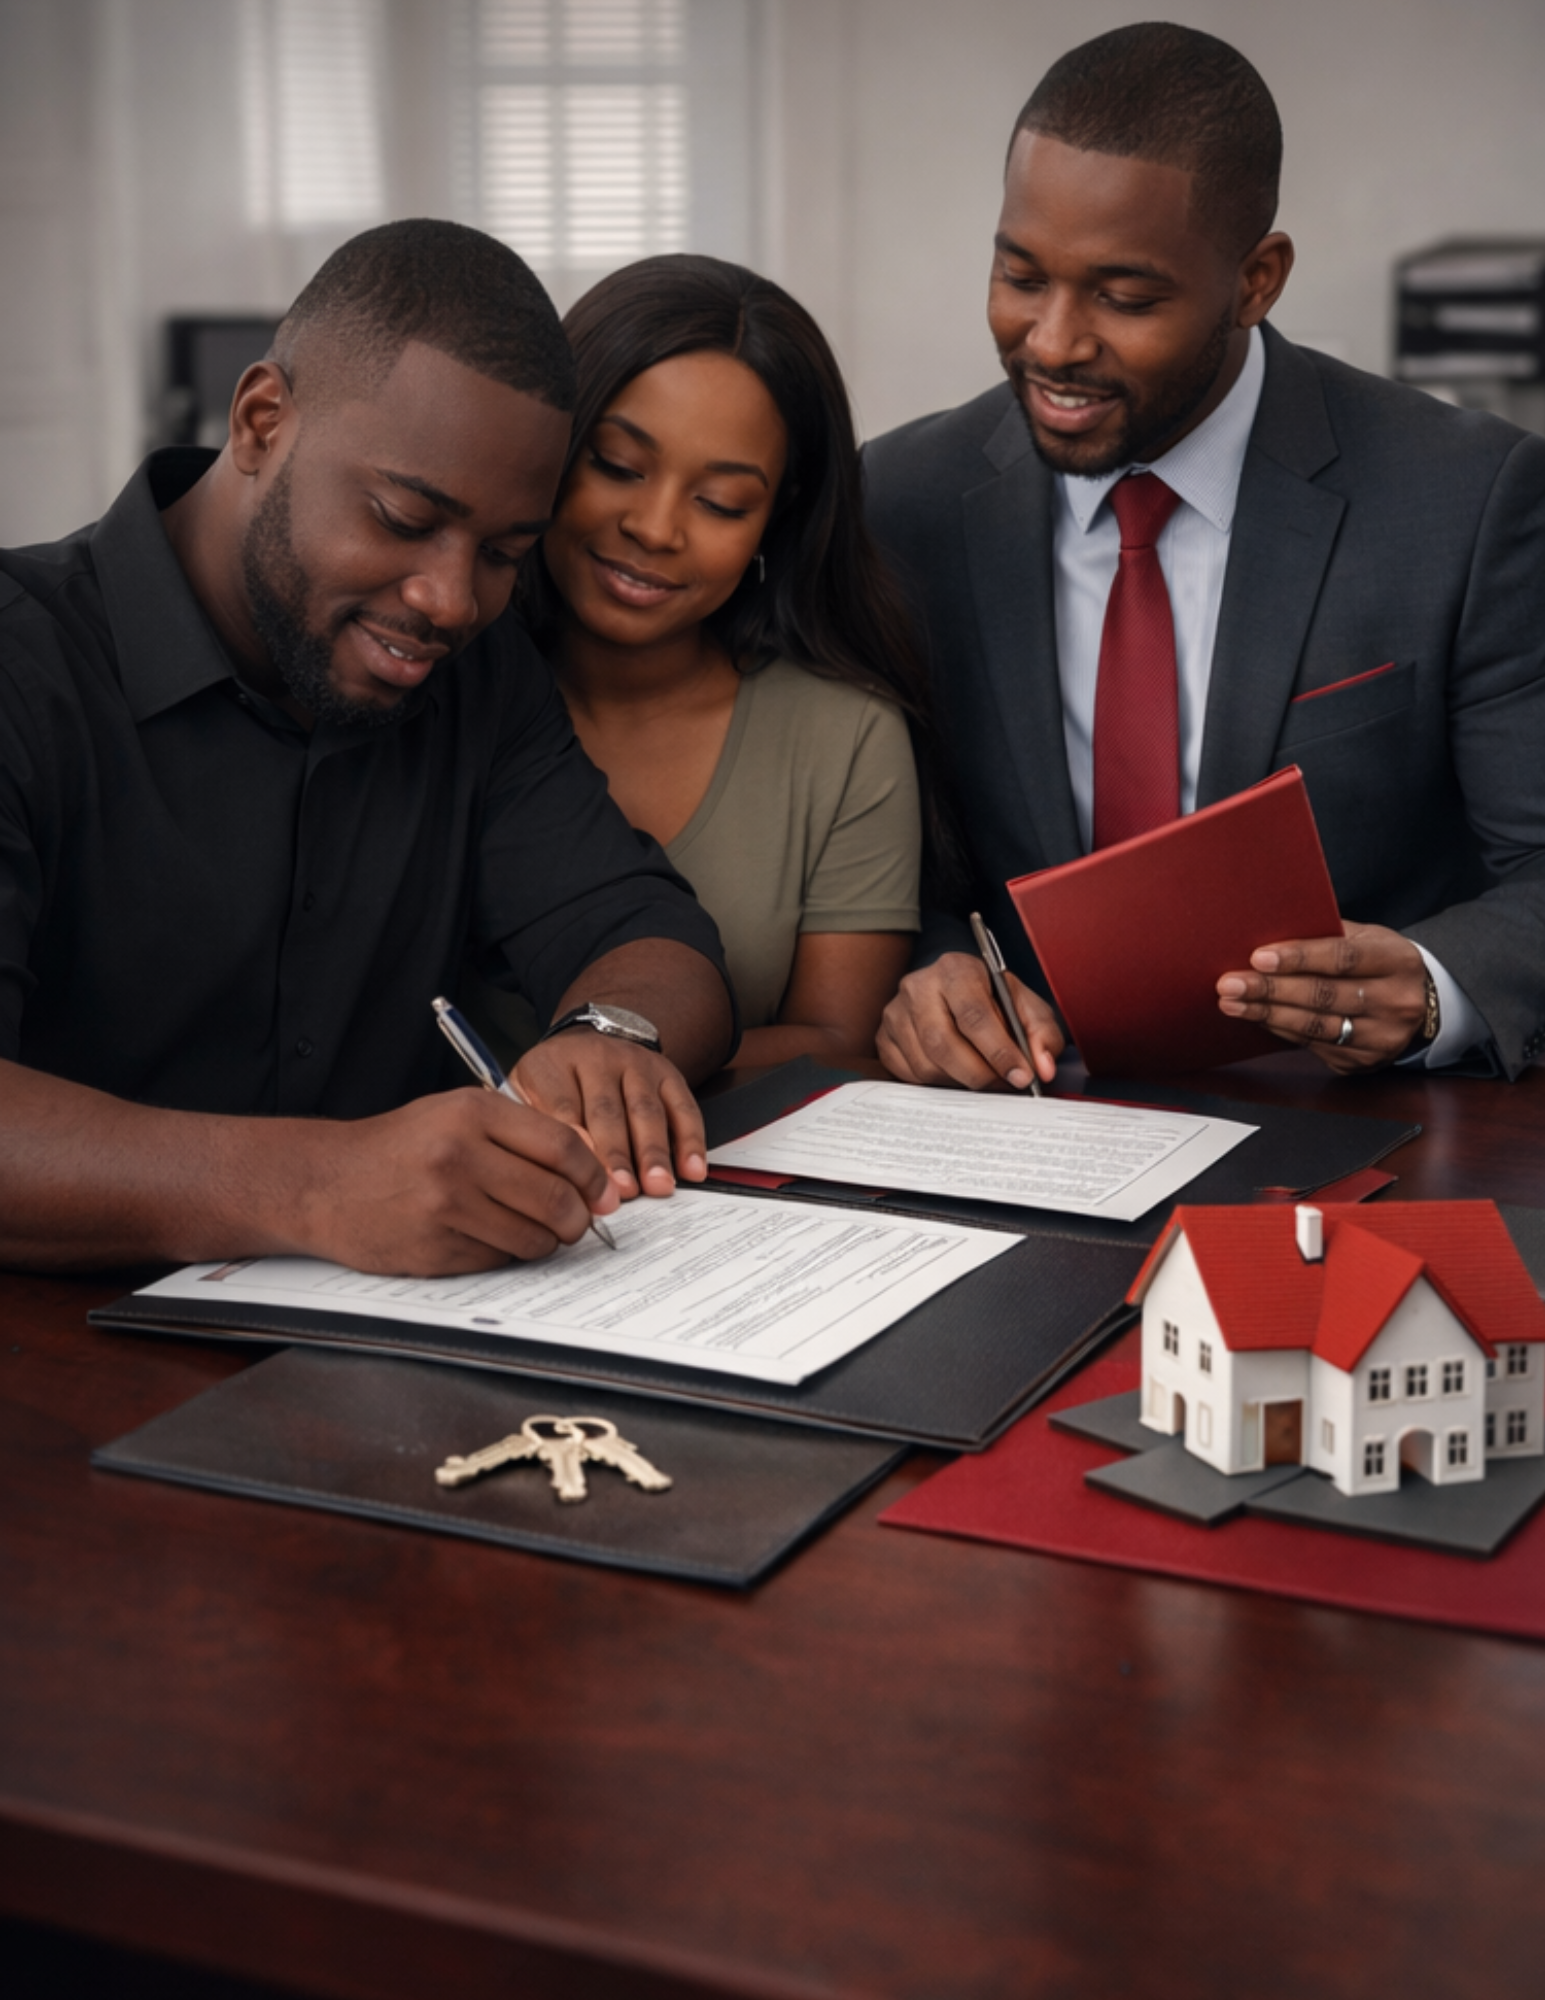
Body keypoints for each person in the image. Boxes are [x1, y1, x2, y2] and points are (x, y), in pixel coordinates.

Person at [0, 219, 737, 1277]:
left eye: (501, 555)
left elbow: (644, 925)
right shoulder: (24, 666)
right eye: (401, 517)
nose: (448, 599)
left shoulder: (476, 676)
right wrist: (318, 1183)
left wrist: (611, 1040)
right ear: (261, 422)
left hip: (378, 1364)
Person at [865, 22, 1545, 1090]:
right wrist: (929, 963)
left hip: (1359, 1127)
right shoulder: (896, 502)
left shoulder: (1468, 502)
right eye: (1020, 275)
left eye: (1124, 298)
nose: (1051, 340)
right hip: (1019, 1127)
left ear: (1256, 279)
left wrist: (1431, 983)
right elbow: (874, 871)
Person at [470, 253, 926, 1068]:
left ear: (773, 524)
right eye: (616, 465)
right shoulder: (446, 678)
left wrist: (608, 1080)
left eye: (720, 503)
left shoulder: (842, 737)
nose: (654, 528)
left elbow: (841, 1042)